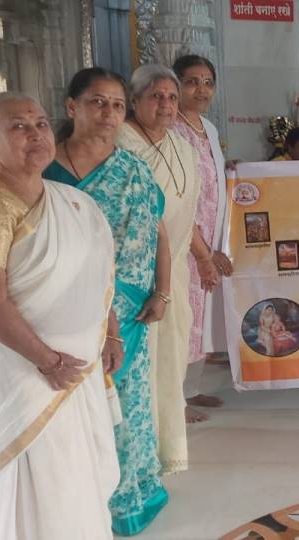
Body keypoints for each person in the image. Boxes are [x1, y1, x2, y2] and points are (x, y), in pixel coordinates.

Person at [0, 92, 120, 538]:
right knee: (35, 470)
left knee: (74, 472)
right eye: (18, 127)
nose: (35, 134)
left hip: (73, 366)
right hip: (20, 368)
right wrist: (47, 361)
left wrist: (110, 334)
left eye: (41, 124)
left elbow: (97, 276)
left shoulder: (73, 202)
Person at [44, 67, 171, 535]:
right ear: (71, 106)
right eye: (97, 102)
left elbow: (158, 234)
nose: (108, 113)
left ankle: (129, 496)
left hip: (130, 310)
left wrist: (161, 291)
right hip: (61, 312)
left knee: (127, 406)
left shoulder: (133, 171)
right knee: (72, 410)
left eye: (117, 105)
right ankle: (76, 504)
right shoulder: (43, 172)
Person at [117, 64, 202, 475]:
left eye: (171, 97)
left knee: (170, 362)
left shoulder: (181, 145)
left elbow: (187, 210)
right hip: (133, 278)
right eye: (155, 96)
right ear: (134, 102)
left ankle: (167, 449)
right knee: (139, 369)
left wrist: (201, 256)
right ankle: (136, 458)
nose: (166, 104)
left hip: (175, 271)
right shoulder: (120, 145)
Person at [171, 54, 232, 423]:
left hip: (210, 236)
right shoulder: (171, 129)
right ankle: (173, 400)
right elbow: (178, 195)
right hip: (185, 243)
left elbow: (213, 177)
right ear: (176, 85)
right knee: (182, 319)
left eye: (208, 83)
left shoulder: (206, 127)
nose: (202, 90)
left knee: (201, 319)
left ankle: (192, 389)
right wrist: (202, 252)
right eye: (192, 81)